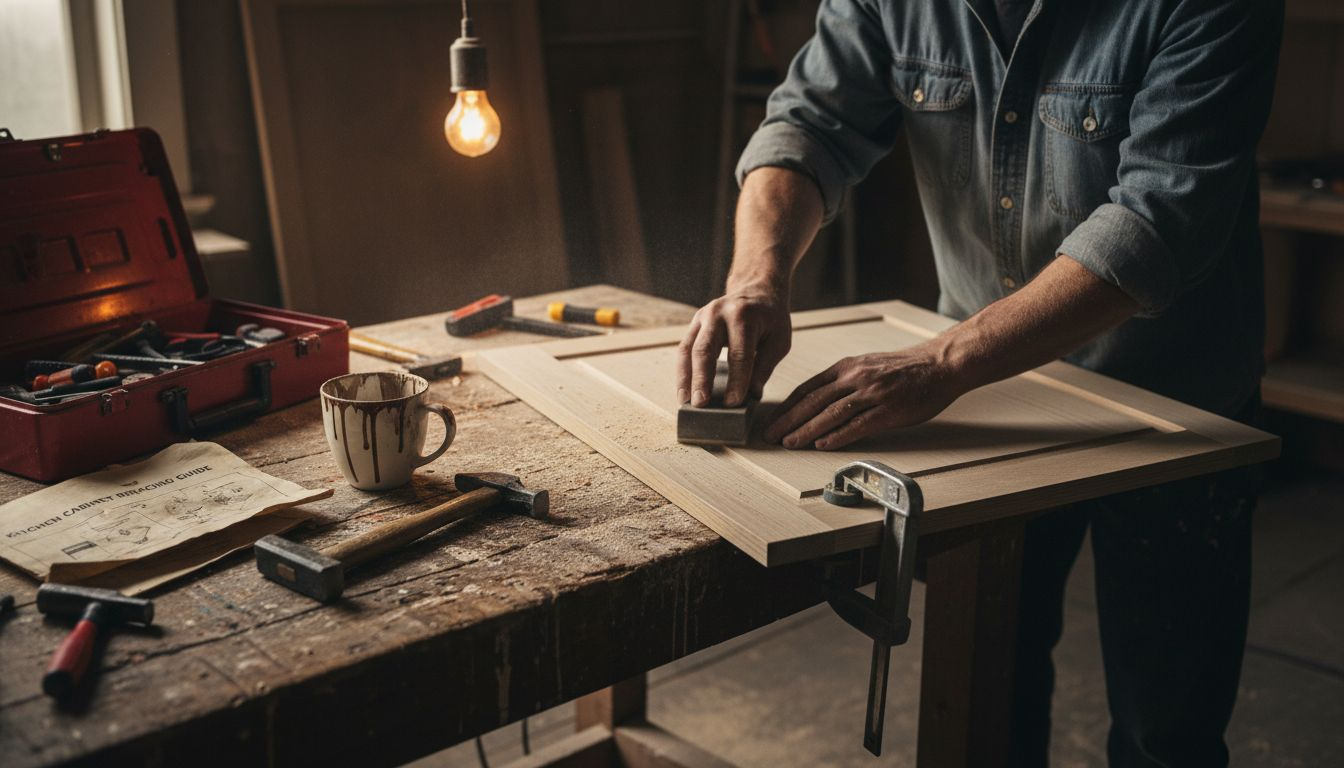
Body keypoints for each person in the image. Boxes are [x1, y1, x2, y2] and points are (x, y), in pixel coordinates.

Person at [674, 1, 1283, 765]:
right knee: (988, 694)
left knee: (1168, 729)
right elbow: (809, 126)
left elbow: (1159, 217)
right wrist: (757, 277)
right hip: (993, 397)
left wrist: (942, 363)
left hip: (1171, 397)